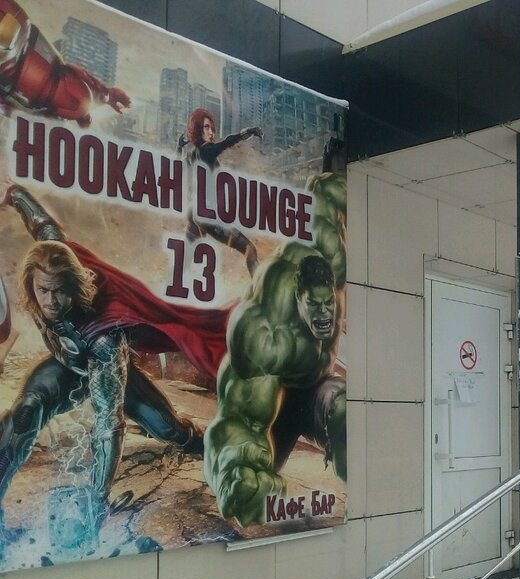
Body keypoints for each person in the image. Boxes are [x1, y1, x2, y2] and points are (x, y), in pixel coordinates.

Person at [0, 185, 231, 551]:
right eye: (43, 291)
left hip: (106, 366)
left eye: (59, 291)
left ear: (73, 286)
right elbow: (43, 225)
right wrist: (16, 195)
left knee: (167, 429)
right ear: (33, 283)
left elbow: (109, 424)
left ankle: (206, 447)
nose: (51, 301)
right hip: (67, 368)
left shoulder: (104, 337)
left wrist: (96, 499)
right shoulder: (52, 259)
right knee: (26, 410)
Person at [204, 172, 347, 526]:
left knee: (349, 410)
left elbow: (326, 191)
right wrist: (236, 466)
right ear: (298, 296)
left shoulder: (331, 251)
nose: (324, 315)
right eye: (314, 305)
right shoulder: (266, 331)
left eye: (329, 304)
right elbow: (238, 413)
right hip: (273, 404)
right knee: (248, 482)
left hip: (315, 387)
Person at [0, 0, 130, 126]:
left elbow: (78, 73)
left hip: (18, 52)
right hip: (20, 49)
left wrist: (108, 95)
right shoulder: (82, 99)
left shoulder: (82, 99)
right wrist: (108, 96)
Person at [178, 108, 263, 274]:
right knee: (249, 249)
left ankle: (172, 284)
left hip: (195, 212)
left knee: (185, 259)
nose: (211, 132)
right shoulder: (207, 151)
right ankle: (262, 288)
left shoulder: (193, 154)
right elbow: (227, 142)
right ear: (197, 129)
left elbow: (177, 167)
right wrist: (248, 132)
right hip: (207, 216)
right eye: (206, 127)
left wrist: (179, 147)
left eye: (212, 128)